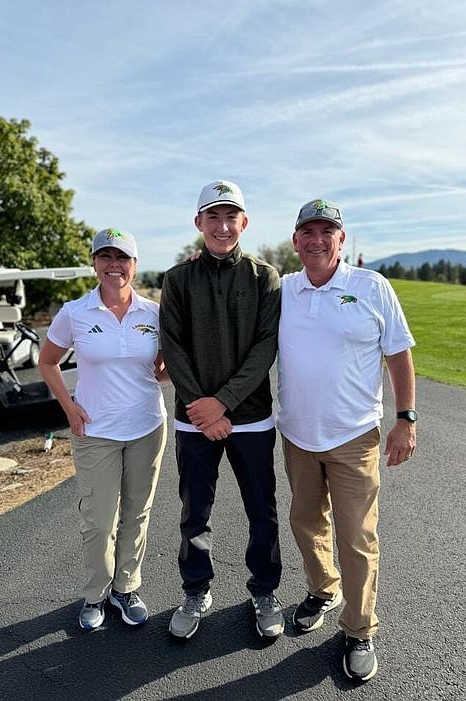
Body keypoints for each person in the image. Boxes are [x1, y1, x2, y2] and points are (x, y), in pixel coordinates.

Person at [276, 199, 417, 681]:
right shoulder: (284, 290)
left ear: (341, 238)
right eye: (307, 232)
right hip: (297, 435)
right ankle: (322, 588)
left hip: (354, 436)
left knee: (356, 537)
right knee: (304, 520)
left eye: (327, 231)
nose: (317, 240)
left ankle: (359, 628)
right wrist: (199, 260)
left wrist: (406, 419)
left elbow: (398, 353)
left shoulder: (370, 286)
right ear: (296, 241)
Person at [160, 180, 283, 640]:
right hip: (193, 419)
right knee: (195, 512)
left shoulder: (264, 277)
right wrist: (201, 408)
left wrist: (223, 403)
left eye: (231, 216)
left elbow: (264, 347)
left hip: (250, 417)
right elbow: (172, 345)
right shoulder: (177, 279)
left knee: (261, 511)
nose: (223, 225)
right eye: (213, 216)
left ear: (244, 223)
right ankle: (196, 590)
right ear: (199, 223)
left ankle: (264, 591)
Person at [39, 228, 167, 631]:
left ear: (134, 264)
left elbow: (160, 369)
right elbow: (47, 362)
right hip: (95, 431)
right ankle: (96, 593)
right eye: (105, 257)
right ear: (94, 263)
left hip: (147, 426)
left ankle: (125, 588)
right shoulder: (75, 312)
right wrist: (69, 406)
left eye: (122, 257)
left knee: (137, 512)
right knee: (98, 519)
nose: (114, 265)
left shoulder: (153, 313)